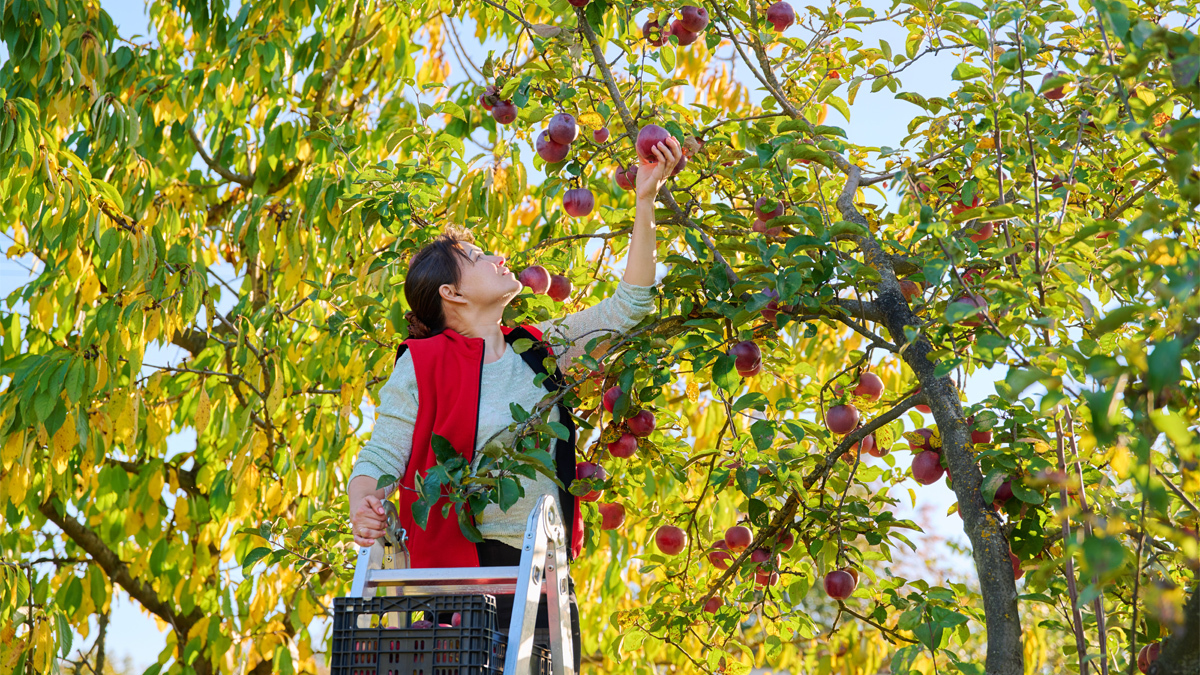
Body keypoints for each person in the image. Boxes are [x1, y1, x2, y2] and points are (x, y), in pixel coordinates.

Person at [347, 137, 684, 669]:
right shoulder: (424, 361)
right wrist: (363, 503)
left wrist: (645, 202)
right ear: (451, 296)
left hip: (541, 577)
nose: (497, 258)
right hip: (462, 578)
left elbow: (630, 307)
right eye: (477, 258)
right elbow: (381, 457)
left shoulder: (539, 350)